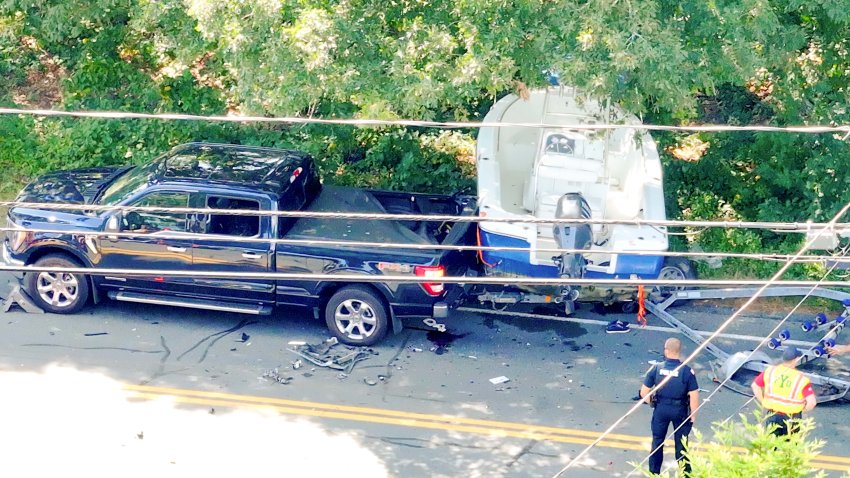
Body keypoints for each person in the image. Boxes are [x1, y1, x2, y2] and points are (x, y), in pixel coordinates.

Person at [640, 337, 699, 477]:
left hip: (661, 410)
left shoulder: (656, 368)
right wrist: (693, 415)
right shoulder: (686, 371)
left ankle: (654, 473)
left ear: (666, 351)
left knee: (657, 443)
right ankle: (685, 475)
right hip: (680, 411)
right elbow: (694, 395)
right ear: (679, 351)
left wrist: (652, 403)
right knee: (681, 445)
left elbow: (644, 392)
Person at [751, 346, 816, 436]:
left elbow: (755, 386)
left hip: (773, 414)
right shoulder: (800, 379)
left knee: (772, 445)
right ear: (795, 360)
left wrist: (763, 401)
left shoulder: (770, 371)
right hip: (792, 417)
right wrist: (804, 409)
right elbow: (812, 402)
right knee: (790, 446)